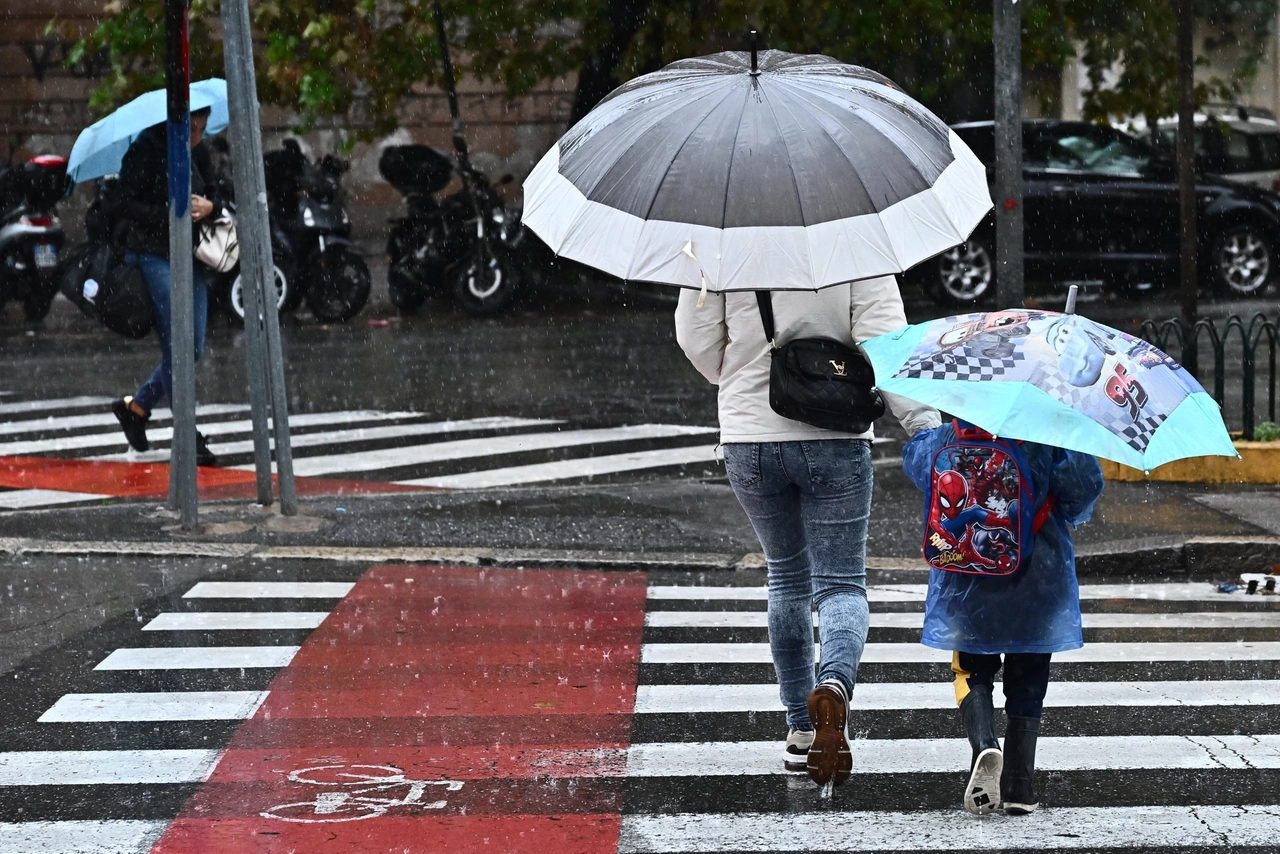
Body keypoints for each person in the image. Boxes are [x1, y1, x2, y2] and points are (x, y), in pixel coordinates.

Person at [675, 278, 940, 787]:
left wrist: (742, 365)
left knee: (787, 580)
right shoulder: (857, 229)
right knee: (841, 583)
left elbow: (697, 341)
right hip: (834, 430)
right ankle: (834, 685)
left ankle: (800, 729)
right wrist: (925, 428)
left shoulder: (720, 236)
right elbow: (886, 343)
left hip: (749, 433)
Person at [902, 422, 1104, 815]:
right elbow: (1083, 487)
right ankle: (1019, 785)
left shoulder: (953, 432)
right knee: (1029, 675)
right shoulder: (1050, 430)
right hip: (1036, 571)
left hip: (967, 578)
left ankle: (984, 744)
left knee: (970, 669)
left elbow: (919, 467)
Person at [109, 107, 221, 466]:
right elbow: (123, 201)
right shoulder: (148, 146)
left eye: (203, 130)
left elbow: (219, 191)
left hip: (192, 255)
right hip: (154, 253)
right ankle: (187, 434)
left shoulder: (199, 152)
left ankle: (137, 408)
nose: (196, 137)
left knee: (192, 346)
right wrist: (170, 213)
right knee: (178, 341)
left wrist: (210, 206)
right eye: (191, 129)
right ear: (176, 123)